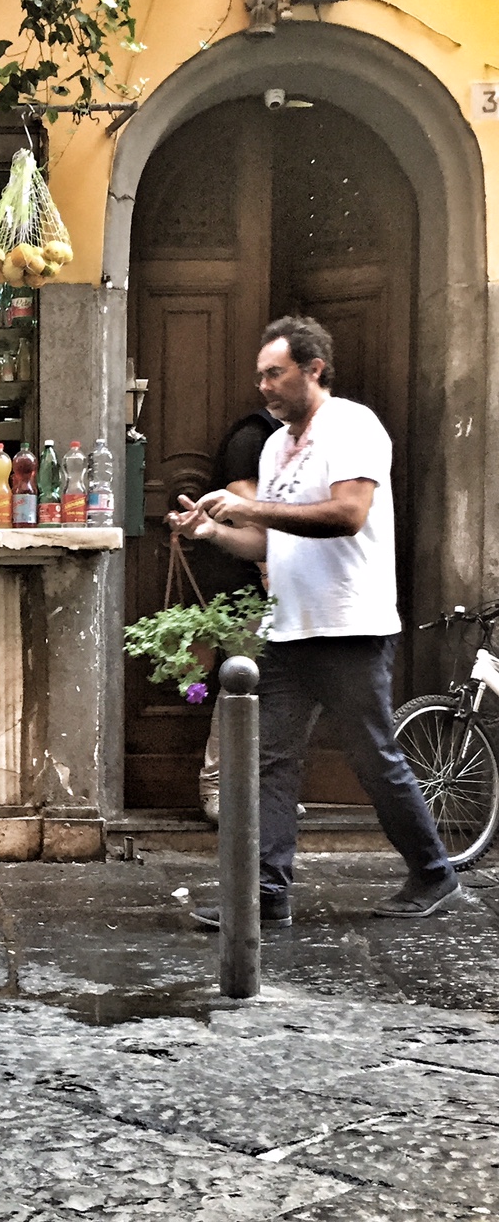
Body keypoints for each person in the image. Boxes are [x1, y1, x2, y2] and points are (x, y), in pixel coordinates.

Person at [170, 315, 460, 926]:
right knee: (269, 761)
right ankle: (267, 893)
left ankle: (433, 872)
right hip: (291, 628)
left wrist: (252, 505)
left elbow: (348, 515)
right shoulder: (275, 445)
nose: (264, 387)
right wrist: (213, 530)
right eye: (260, 376)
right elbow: (267, 544)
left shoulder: (353, 425)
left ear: (314, 370)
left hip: (351, 627)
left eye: (275, 373)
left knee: (373, 757)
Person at [195, 406, 282, 823]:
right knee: (242, 683)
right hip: (242, 581)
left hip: (265, 580)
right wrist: (268, 567)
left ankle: (261, 790)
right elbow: (242, 502)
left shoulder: (291, 438)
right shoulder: (254, 435)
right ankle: (215, 787)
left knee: (269, 688)